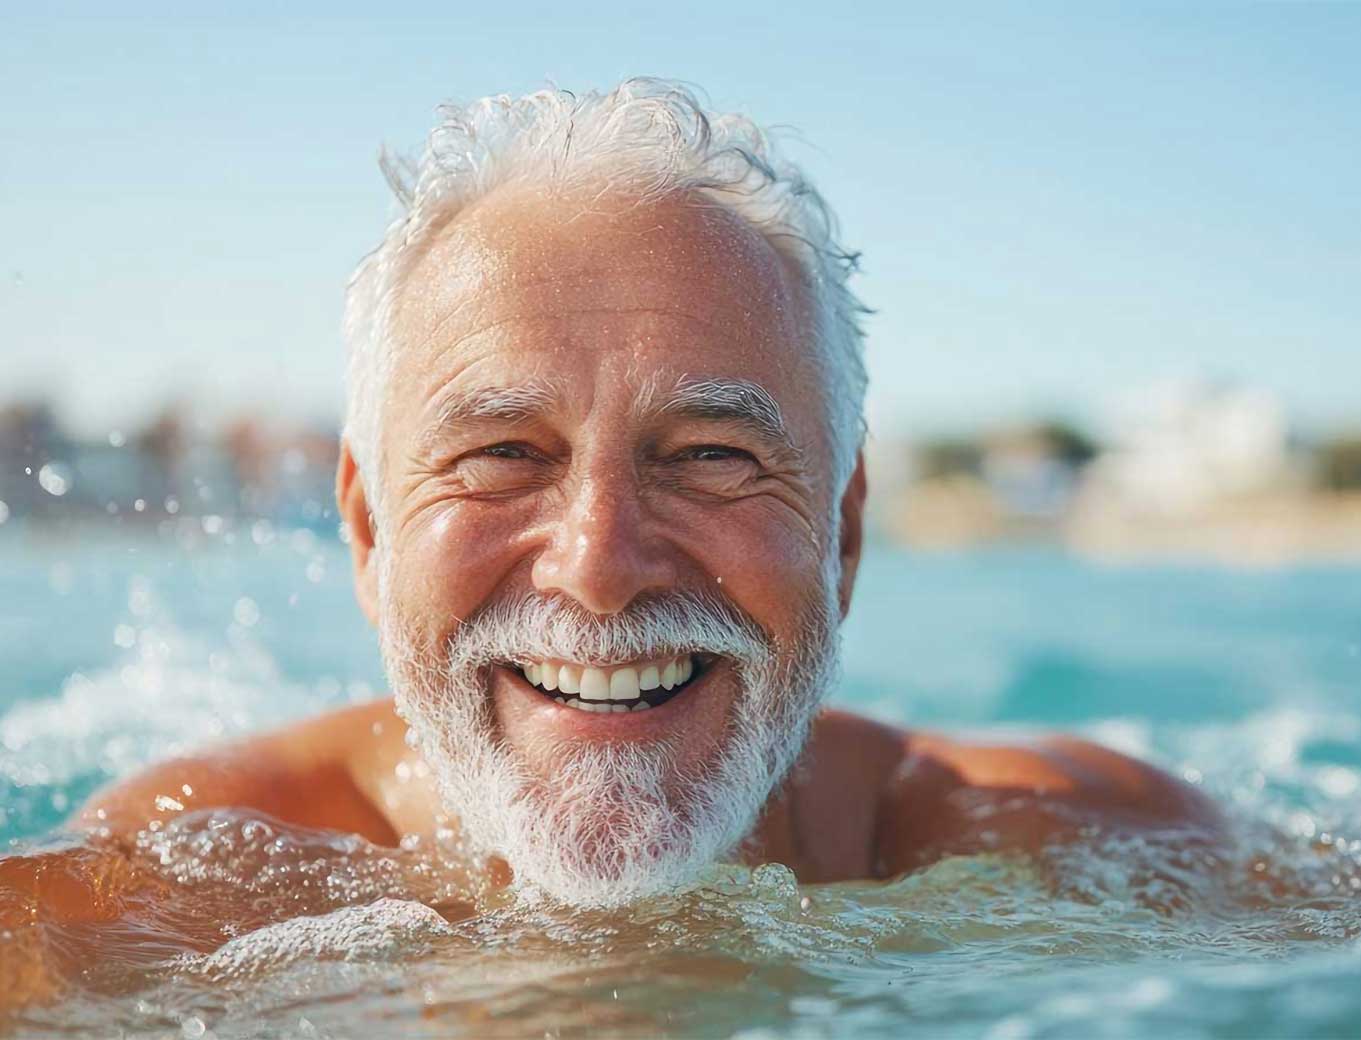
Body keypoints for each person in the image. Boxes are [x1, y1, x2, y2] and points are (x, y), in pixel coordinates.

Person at [2, 79, 1218, 1003]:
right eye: (503, 456)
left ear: (841, 537)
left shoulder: (1067, 848)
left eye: (708, 455)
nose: (596, 562)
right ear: (369, 533)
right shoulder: (170, 891)